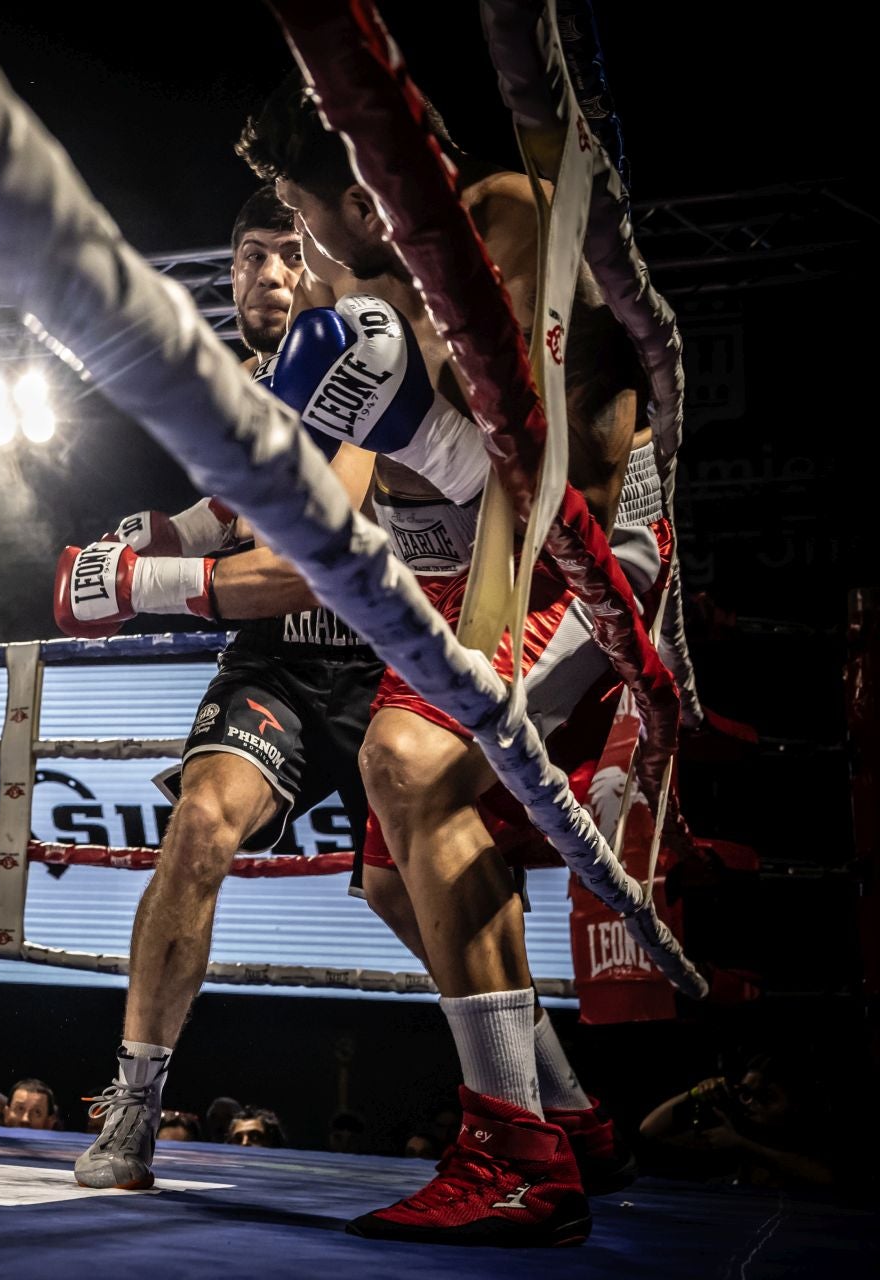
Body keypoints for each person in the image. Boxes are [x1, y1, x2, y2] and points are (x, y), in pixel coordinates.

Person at [238, 70, 656, 1246]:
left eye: (293, 199)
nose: (294, 237)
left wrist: (474, 638)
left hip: (582, 548)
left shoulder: (508, 220)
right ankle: (567, 1118)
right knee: (387, 870)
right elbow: (328, 475)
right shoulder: (356, 276)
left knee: (412, 766)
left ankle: (515, 1150)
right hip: (466, 559)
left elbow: (560, 454)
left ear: (359, 193)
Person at [64, 187, 385, 1194]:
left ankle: (540, 1102)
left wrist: (142, 580)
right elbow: (239, 508)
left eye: (291, 252)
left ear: (324, 262)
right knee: (198, 825)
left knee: (404, 889)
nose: (271, 274)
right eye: (250, 256)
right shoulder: (242, 389)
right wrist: (156, 533)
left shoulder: (376, 354)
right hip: (274, 665)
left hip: (386, 659)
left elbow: (320, 554)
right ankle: (138, 1103)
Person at [639, 1054, 840, 1190]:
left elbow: (831, 1179)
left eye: (767, 1096)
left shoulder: (813, 1147)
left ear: (797, 1103)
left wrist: (742, 1145)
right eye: (747, 1094)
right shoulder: (736, 1129)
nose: (752, 1103)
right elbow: (650, 1129)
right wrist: (694, 1094)